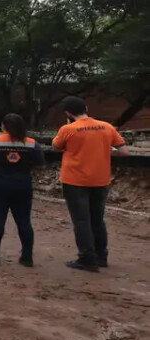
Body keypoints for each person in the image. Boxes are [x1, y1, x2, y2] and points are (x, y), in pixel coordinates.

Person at [52, 96, 129, 272]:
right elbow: (124, 151)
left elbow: (56, 146)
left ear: (68, 113)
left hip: (75, 181)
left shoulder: (68, 129)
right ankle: (102, 256)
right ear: (86, 108)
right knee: (97, 219)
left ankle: (87, 258)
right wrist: (107, 150)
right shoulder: (107, 127)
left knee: (81, 220)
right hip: (100, 180)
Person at [0, 113, 44, 266]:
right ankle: (27, 257)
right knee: (24, 221)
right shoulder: (33, 144)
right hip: (22, 186)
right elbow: (39, 166)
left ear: (3, 127)